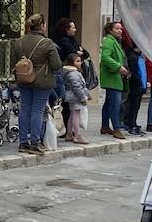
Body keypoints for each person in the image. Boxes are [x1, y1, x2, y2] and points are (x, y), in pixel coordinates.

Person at [10, 14, 60, 156]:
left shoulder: (19, 42)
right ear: (42, 25)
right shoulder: (47, 43)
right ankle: (34, 142)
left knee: (25, 108)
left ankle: (23, 142)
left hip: (23, 79)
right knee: (37, 111)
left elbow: (15, 62)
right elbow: (56, 65)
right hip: (42, 80)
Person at [51, 18, 88, 133]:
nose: (75, 30)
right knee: (68, 105)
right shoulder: (63, 41)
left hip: (72, 73)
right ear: (66, 29)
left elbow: (84, 54)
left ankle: (69, 131)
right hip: (67, 73)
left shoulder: (73, 40)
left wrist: (80, 52)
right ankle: (67, 130)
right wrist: (79, 52)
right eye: (72, 27)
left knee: (71, 107)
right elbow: (73, 53)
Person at [99, 20, 129, 139]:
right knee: (115, 103)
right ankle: (116, 128)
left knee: (108, 103)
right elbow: (105, 57)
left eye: (121, 29)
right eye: (117, 28)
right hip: (112, 76)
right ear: (110, 30)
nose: (120, 31)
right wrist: (118, 67)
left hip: (114, 76)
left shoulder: (115, 41)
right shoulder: (109, 41)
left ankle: (105, 126)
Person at [58, 52, 91, 144]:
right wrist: (83, 97)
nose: (80, 63)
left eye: (80, 61)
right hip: (75, 97)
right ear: (71, 63)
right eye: (77, 61)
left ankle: (69, 133)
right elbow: (77, 87)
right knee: (76, 115)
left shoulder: (70, 72)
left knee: (72, 115)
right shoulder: (73, 73)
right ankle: (77, 135)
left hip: (72, 96)